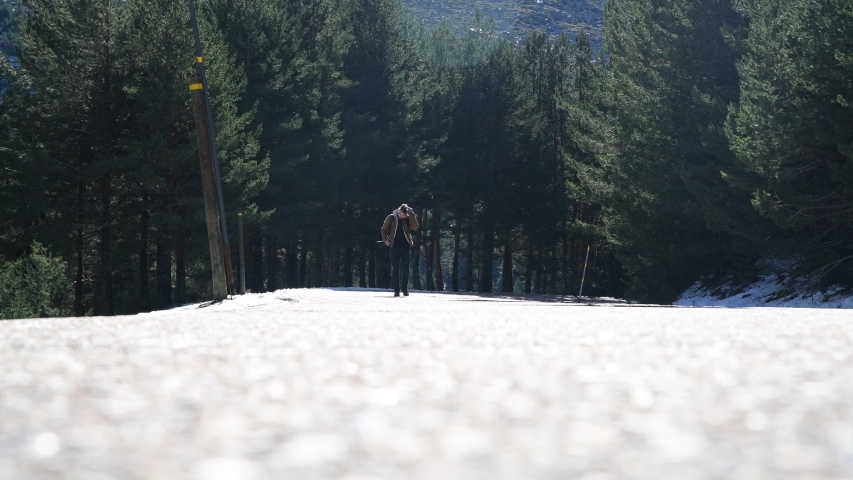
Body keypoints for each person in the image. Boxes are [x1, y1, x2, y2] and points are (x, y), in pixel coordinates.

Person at [380, 203, 419, 296]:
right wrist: (385, 240)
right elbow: (383, 229)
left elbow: (415, 226)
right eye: (401, 214)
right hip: (394, 246)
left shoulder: (408, 218)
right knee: (395, 269)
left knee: (406, 269)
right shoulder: (391, 218)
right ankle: (396, 290)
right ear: (399, 210)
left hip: (406, 246)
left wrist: (412, 214)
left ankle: (405, 289)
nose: (402, 216)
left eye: (404, 215)